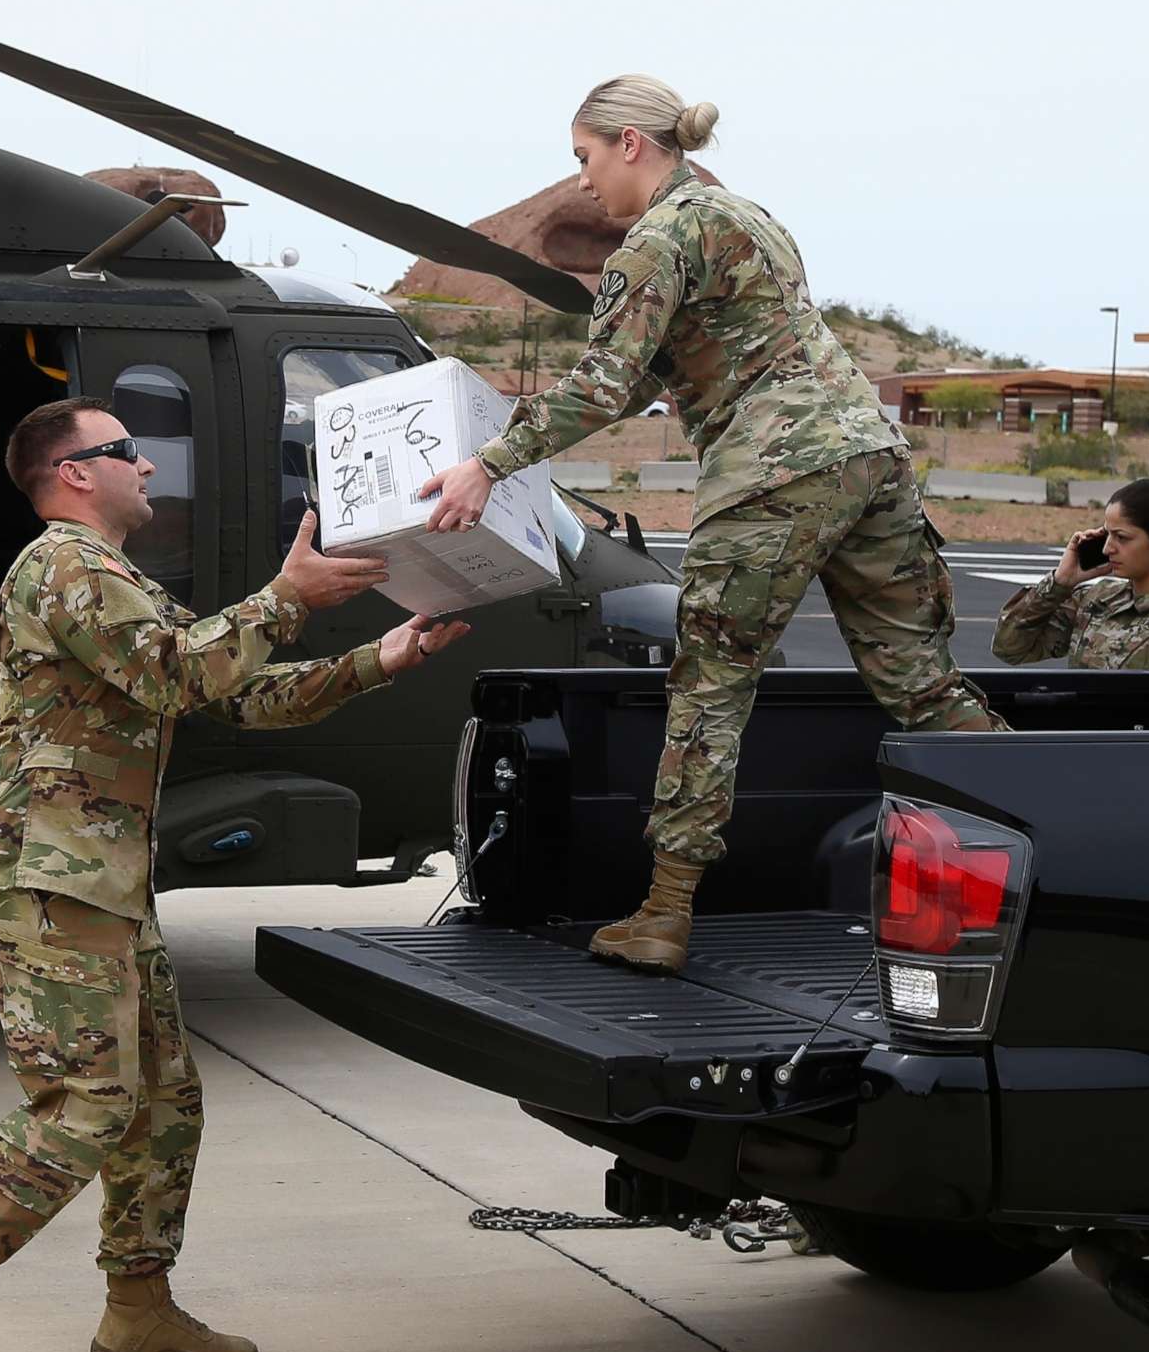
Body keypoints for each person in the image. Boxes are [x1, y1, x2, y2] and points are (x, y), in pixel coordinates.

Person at [0, 397, 471, 1352]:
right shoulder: (63, 566)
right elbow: (182, 674)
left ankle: (137, 1307)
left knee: (161, 1101)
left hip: (99, 876)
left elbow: (236, 690)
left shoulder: (110, 579)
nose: (147, 467)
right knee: (90, 1102)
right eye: (124, 452)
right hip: (51, 876)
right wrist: (289, 593)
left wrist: (380, 659)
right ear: (72, 474)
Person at [415, 75, 1005, 977]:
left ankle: (664, 913)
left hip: (776, 470)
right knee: (924, 688)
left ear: (631, 145)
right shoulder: (750, 219)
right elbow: (666, 369)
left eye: (584, 158)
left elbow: (607, 383)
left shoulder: (654, 238)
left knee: (710, 687)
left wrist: (487, 464)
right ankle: (1065, 833)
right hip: (870, 456)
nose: (581, 185)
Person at [994, 479, 1149, 670]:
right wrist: (1059, 583)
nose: (1106, 548)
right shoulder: (1095, 599)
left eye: (1121, 537)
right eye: (1107, 535)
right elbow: (1009, 648)